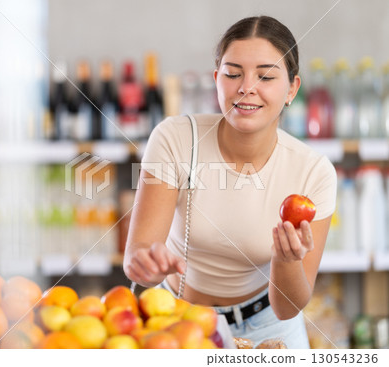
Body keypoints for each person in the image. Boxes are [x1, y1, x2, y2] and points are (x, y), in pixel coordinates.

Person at [123, 16, 337, 349]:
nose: (246, 87)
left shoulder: (313, 172)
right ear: (216, 81)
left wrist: (286, 261)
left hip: (271, 326)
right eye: (233, 73)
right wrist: (146, 266)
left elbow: (287, 307)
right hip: (184, 321)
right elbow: (137, 255)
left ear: (292, 89)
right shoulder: (175, 138)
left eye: (265, 75)